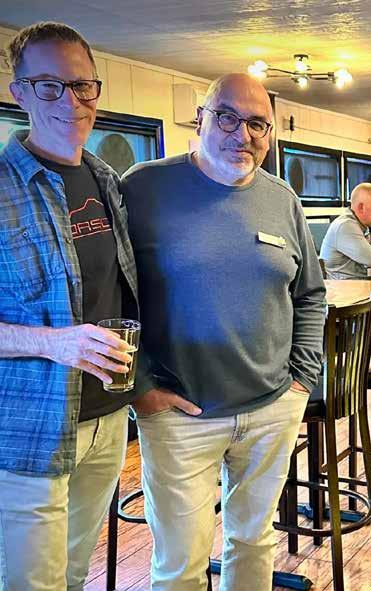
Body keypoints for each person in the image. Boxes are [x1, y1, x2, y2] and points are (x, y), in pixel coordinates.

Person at [121, 73, 326, 590]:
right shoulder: (144, 187)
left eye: (258, 124)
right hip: (179, 413)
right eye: (228, 118)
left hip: (271, 408)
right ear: (201, 119)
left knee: (254, 542)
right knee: (180, 564)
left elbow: (310, 293)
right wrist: (140, 387)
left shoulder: (282, 198)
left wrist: (301, 379)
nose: (243, 135)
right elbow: (111, 295)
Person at [0, 22, 138, 589]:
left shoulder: (106, 179)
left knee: (76, 575)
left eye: (83, 85)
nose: (71, 101)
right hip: (29, 432)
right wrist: (56, 343)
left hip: (108, 417)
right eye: (50, 86)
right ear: (19, 92)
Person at [320, 181, 371, 343]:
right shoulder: (345, 226)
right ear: (361, 207)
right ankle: (360, 350)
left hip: (370, 293)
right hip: (348, 298)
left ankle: (363, 348)